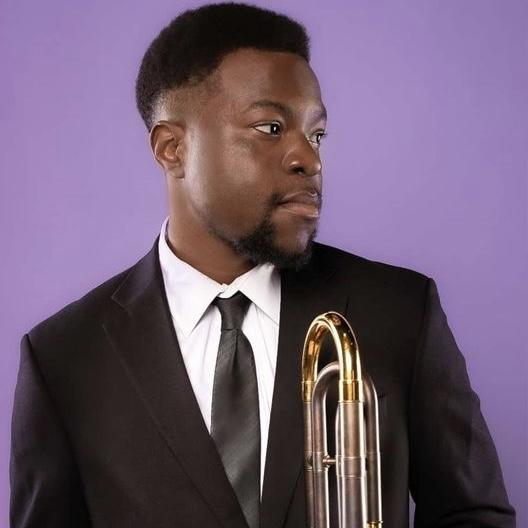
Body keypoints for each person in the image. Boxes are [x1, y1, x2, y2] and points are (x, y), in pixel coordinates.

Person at [9, 3, 515, 527]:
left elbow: (475, 516)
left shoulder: (400, 311)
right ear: (172, 149)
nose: (309, 159)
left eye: (316, 134)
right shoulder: (64, 358)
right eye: (271, 127)